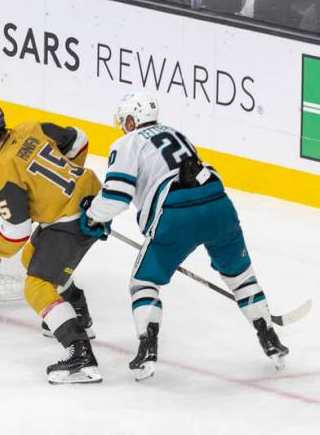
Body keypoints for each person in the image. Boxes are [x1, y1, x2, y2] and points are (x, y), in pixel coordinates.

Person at [81, 92, 289, 380]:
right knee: (241, 277)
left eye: (124, 121)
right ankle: (269, 336)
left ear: (131, 120)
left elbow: (116, 196)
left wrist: (92, 215)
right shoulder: (177, 133)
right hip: (218, 203)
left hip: (176, 213)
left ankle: (147, 346)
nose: (123, 127)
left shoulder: (127, 142)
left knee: (143, 282)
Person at [0, 100, 103, 385]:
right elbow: (79, 140)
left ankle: (80, 353)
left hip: (70, 221)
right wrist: (65, 185)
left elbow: (16, 231)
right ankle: (78, 313)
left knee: (36, 285)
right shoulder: (31, 127)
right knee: (31, 259)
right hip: (95, 199)